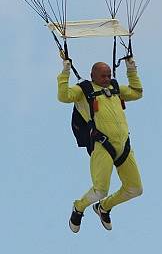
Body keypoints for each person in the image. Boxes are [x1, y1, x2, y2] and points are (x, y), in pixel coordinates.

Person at [58, 56, 144, 232]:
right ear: (93, 75)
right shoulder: (83, 90)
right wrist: (65, 72)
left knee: (135, 189)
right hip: (102, 146)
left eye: (109, 75)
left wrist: (131, 69)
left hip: (123, 146)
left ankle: (103, 207)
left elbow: (137, 92)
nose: (107, 79)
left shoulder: (115, 88)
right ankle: (79, 207)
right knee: (100, 190)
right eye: (103, 76)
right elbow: (63, 96)